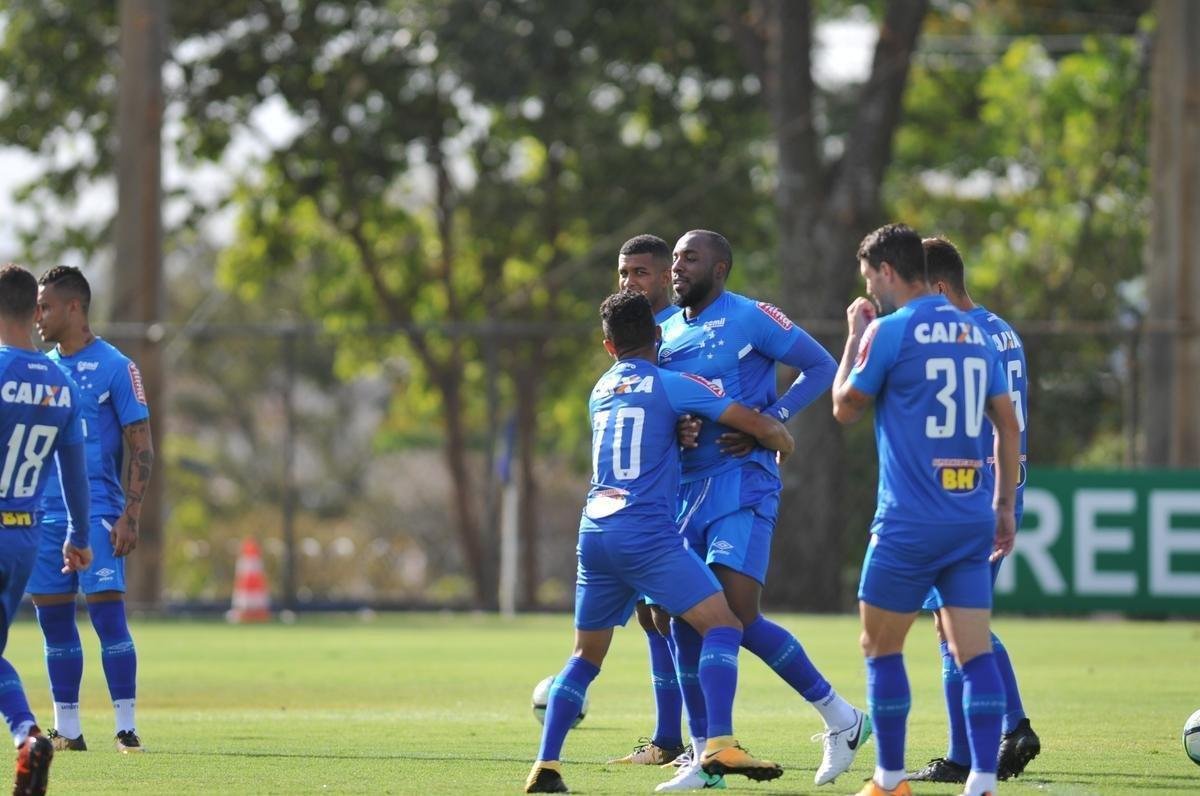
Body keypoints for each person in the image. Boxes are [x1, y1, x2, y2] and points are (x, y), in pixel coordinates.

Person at [525, 291, 789, 794]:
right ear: (659, 335)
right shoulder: (673, 384)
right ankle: (719, 744)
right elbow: (755, 424)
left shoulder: (600, 390)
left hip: (594, 531)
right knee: (724, 624)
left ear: (608, 346)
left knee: (584, 658)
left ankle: (547, 765)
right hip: (646, 533)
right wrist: (783, 439)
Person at [656, 229, 869, 791]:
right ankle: (707, 757)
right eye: (674, 258)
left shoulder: (750, 316)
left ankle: (840, 718)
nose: (677, 267)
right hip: (686, 489)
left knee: (735, 612)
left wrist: (771, 420)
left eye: (690, 258)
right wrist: (678, 429)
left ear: (719, 268)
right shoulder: (666, 330)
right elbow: (671, 404)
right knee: (686, 617)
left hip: (742, 482)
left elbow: (820, 366)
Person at [830, 223, 1021, 796]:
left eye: (870, 276)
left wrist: (853, 336)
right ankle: (982, 780)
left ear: (887, 271)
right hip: (970, 519)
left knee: (880, 647)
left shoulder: (888, 330)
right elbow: (1007, 425)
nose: (870, 287)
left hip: (908, 522)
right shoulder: (976, 333)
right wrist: (1003, 506)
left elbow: (845, 407)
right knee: (973, 652)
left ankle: (889, 779)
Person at [907, 236, 1039, 785]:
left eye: (915, 291)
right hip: (999, 488)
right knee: (953, 621)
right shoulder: (1002, 329)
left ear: (938, 288)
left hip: (967, 494)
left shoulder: (961, 336)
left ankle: (1002, 733)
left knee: (958, 622)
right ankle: (983, 740)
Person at [27, 266, 154, 754]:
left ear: (74, 307)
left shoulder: (116, 367)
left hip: (100, 513)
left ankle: (126, 728)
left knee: (107, 618)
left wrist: (130, 515)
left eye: (46, 307)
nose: (38, 316)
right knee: (53, 622)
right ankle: (68, 730)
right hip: (45, 516)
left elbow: (141, 446)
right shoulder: (39, 369)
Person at [0, 263, 93, 794]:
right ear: (34, 310)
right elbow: (73, 473)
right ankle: (28, 737)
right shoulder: (61, 384)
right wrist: (79, 538)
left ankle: (26, 734)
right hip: (26, 538)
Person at [606, 235, 689, 767]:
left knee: (678, 614)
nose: (629, 281)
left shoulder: (681, 329)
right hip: (641, 498)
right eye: (623, 273)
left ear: (665, 277)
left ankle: (704, 738)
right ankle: (667, 738)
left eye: (639, 272)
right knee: (649, 614)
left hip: (682, 491)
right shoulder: (631, 335)